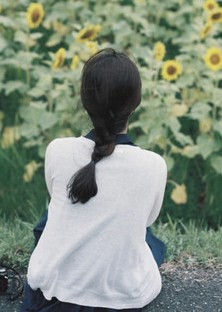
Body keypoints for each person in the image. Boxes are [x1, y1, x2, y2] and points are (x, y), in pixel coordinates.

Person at [22, 48, 168, 312]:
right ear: (136, 102)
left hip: (50, 297)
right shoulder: (154, 165)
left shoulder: (57, 149)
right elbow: (147, 221)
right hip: (121, 300)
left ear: (85, 100)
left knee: (51, 217)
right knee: (146, 238)